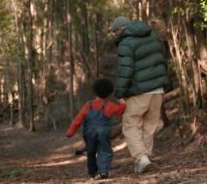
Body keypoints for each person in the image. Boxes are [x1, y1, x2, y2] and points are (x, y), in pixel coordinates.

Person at [110, 16, 167, 174]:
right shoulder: (153, 36)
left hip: (139, 91)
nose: (116, 35)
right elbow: (163, 60)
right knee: (149, 125)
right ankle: (146, 158)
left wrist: (120, 92)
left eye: (115, 32)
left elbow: (125, 71)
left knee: (130, 124)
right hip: (157, 89)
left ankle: (141, 158)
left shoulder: (126, 43)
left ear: (121, 29)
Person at [66, 78, 126, 179]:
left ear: (95, 91)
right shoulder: (109, 105)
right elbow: (120, 110)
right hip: (103, 132)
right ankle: (103, 171)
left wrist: (70, 132)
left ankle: (92, 172)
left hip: (89, 133)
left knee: (91, 151)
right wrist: (123, 103)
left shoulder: (88, 105)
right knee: (105, 150)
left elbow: (78, 119)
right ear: (109, 93)